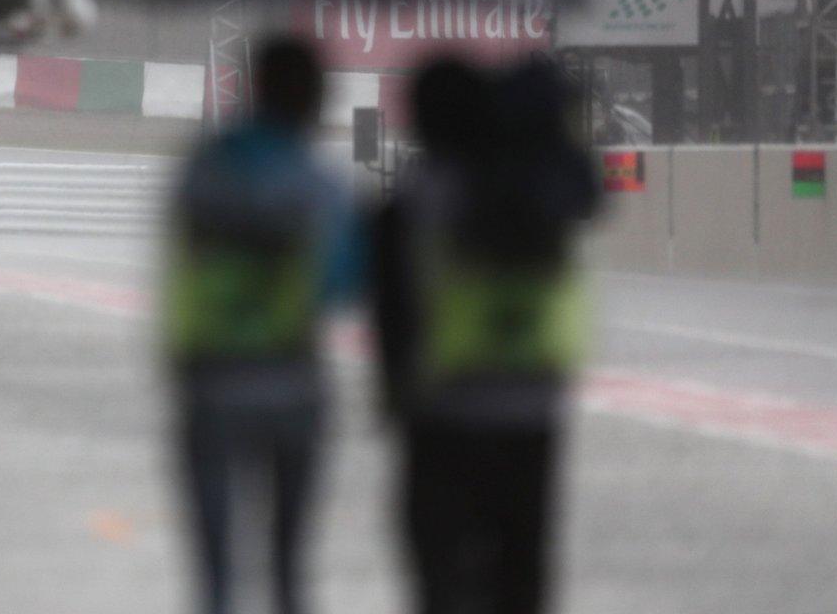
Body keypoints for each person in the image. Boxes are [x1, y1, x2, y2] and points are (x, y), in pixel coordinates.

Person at [373, 58, 598, 614]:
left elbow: (394, 313)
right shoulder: (535, 188)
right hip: (530, 407)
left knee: (440, 577)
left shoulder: (418, 194)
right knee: (522, 573)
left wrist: (393, 398)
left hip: (444, 408)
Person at [166, 37, 361, 614]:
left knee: (215, 569)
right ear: (316, 100)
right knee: (289, 566)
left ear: (253, 88)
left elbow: (179, 255)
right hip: (292, 380)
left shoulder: (203, 169)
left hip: (213, 378)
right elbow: (342, 287)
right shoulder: (321, 184)